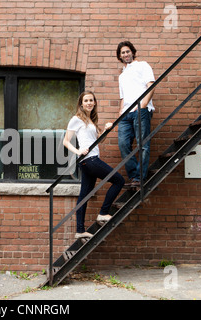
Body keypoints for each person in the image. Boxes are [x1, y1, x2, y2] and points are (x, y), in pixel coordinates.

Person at [63, 91, 125, 239]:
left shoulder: (91, 121)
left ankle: (80, 230)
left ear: (94, 103)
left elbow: (98, 141)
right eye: (86, 101)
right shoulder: (76, 119)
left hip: (89, 160)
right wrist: (78, 151)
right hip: (89, 160)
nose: (89, 103)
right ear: (81, 104)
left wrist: (106, 130)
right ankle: (103, 213)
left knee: (84, 195)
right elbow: (66, 141)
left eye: (91, 100)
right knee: (119, 180)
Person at [116, 41, 155, 188]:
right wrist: (121, 111)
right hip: (125, 114)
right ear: (119, 56)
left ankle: (139, 178)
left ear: (132, 52)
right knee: (123, 145)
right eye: (123, 53)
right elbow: (123, 97)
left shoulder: (143, 65)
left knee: (142, 145)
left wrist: (143, 106)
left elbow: (151, 86)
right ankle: (133, 176)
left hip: (140, 110)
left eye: (127, 51)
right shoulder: (122, 75)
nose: (125, 54)